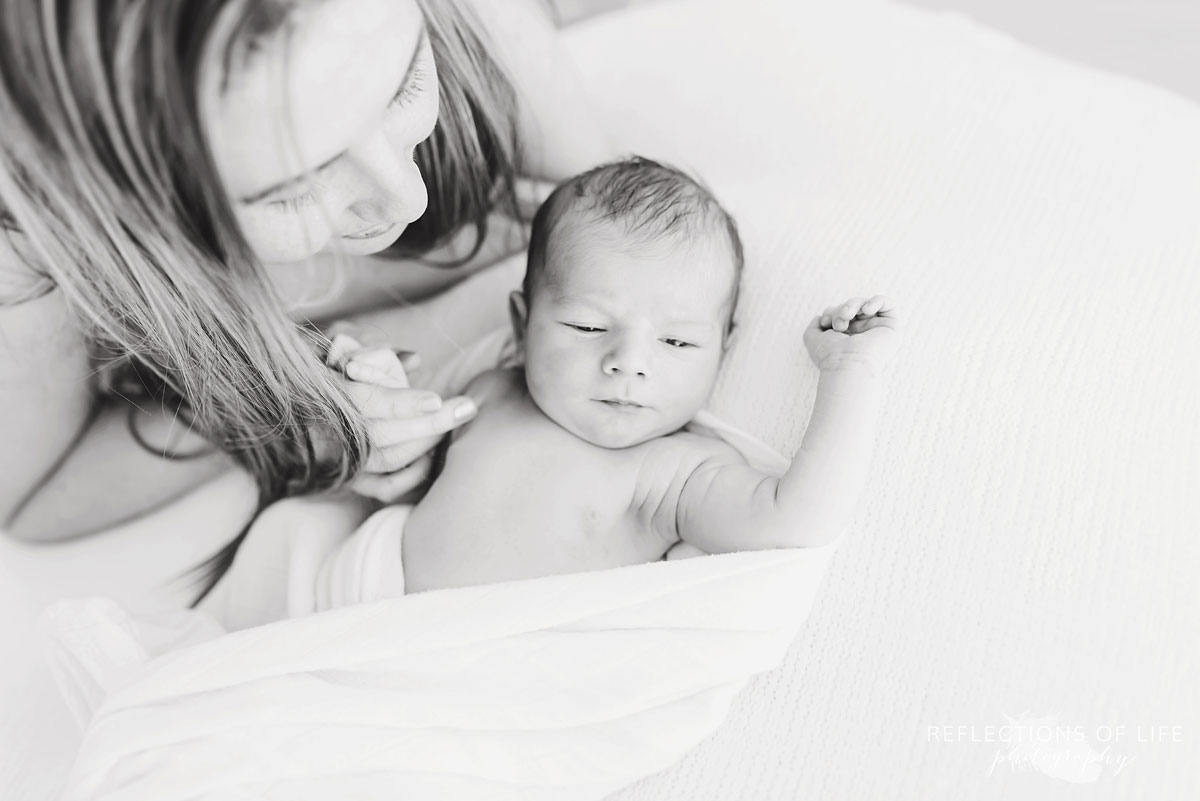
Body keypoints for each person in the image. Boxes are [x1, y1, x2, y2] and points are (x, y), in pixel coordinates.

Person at [0, 0, 620, 542]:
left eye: (404, 85)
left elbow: (620, 224)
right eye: (290, 190)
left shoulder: (449, 17)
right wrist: (295, 416)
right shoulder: (29, 240)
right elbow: (38, 498)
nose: (407, 200)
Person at [198, 157, 900, 615]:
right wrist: (368, 398)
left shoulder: (672, 473)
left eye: (678, 342)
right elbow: (391, 460)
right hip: (340, 597)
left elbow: (794, 520)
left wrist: (848, 373)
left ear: (725, 350)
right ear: (522, 324)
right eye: (590, 329)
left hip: (438, 673)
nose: (629, 363)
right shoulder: (493, 388)